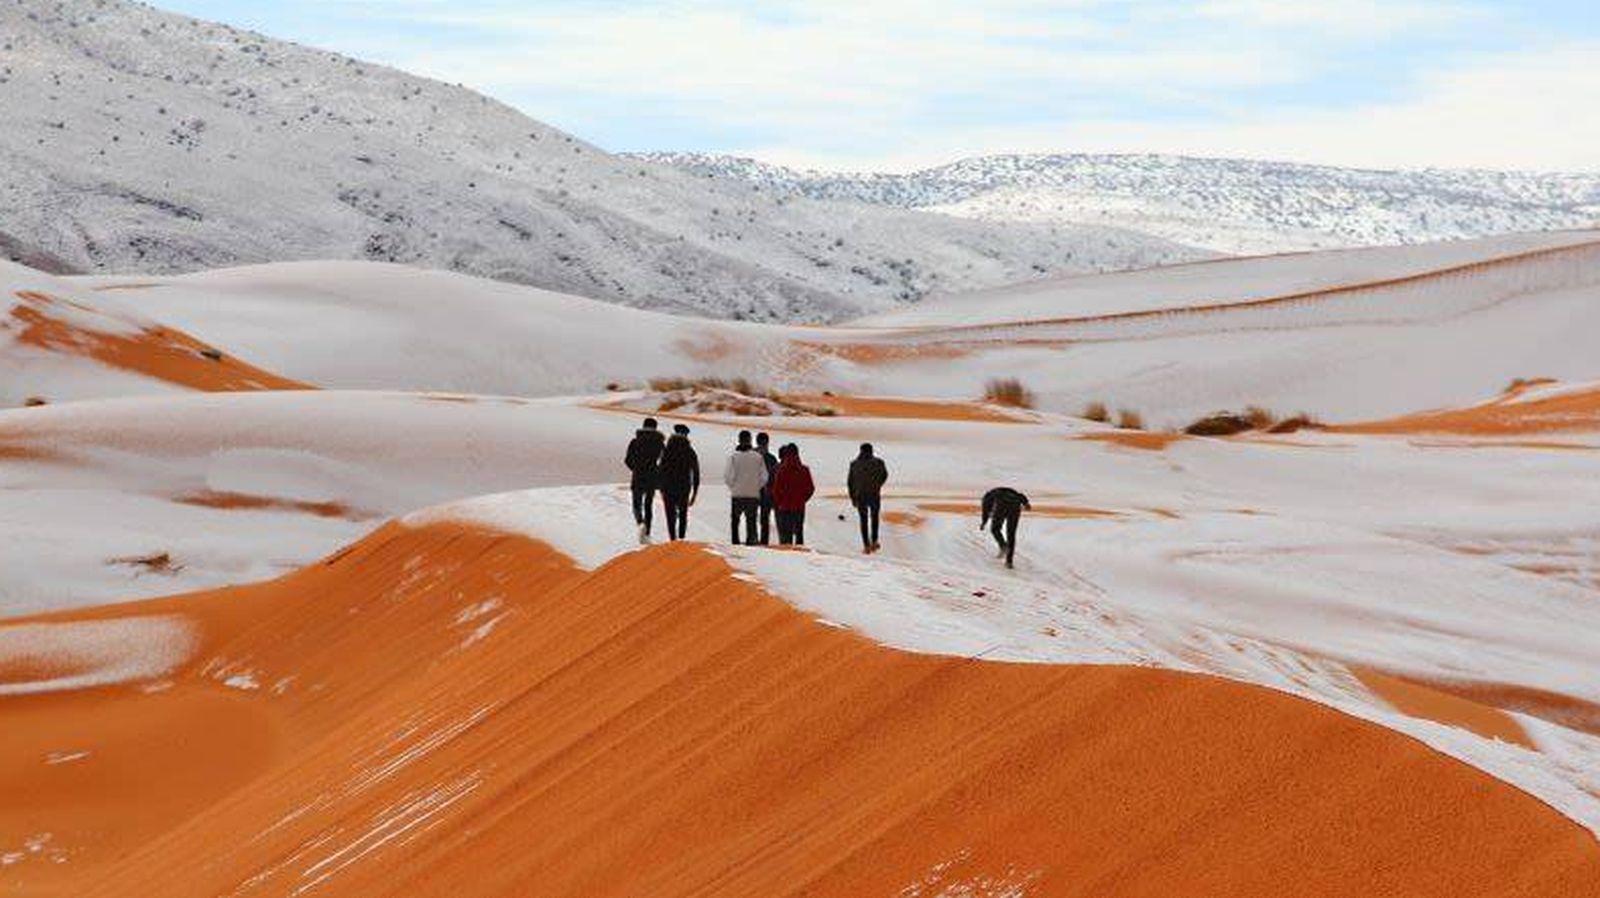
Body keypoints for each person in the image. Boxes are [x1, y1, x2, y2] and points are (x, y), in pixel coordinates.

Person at [623, 418, 665, 543]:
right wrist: (658, 470)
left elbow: (627, 460)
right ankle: (647, 533)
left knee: (637, 503)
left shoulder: (635, 441)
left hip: (638, 475)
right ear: (655, 428)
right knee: (648, 505)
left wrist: (635, 468)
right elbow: (665, 461)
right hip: (652, 476)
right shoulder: (659, 443)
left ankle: (640, 522)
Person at [723, 430, 768, 545]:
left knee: (735, 521)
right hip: (753, 495)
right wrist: (755, 487)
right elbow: (764, 477)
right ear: (750, 440)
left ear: (739, 440)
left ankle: (735, 542)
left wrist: (734, 487)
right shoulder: (758, 457)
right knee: (751, 521)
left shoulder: (733, 457)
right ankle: (750, 543)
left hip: (737, 494)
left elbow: (728, 476)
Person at [657, 423, 700, 541]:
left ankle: (672, 539)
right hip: (683, 487)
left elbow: (660, 469)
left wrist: (660, 487)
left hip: (667, 487)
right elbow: (696, 473)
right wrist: (694, 493)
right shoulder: (690, 451)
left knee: (670, 515)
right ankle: (681, 540)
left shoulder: (667, 450)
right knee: (682, 515)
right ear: (686, 436)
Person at [770, 443, 815, 546]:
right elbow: (810, 488)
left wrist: (780, 502)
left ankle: (788, 557)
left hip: (784, 507)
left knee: (786, 536)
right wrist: (803, 500)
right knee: (799, 533)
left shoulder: (781, 470)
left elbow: (776, 489)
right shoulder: (804, 470)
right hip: (799, 506)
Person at [847, 442, 888, 553]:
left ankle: (866, 545)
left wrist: (852, 498)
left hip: (860, 496)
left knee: (863, 520)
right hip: (874, 494)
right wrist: (877, 485)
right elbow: (884, 475)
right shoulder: (879, 463)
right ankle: (874, 541)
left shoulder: (854, 464)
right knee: (874, 518)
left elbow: (850, 483)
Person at [981, 487, 1032, 569]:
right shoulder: (1007, 491)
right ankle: (1009, 562)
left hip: (1002, 505)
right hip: (1015, 506)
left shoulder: (987, 497)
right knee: (1011, 534)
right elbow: (1021, 496)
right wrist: (1026, 504)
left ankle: (1003, 546)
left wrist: (984, 522)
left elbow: (985, 510)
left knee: (995, 529)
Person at [754, 432, 779, 544]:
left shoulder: (751, 456)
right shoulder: (772, 459)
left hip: (752, 492)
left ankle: (753, 538)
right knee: (764, 519)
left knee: (753, 518)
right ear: (767, 442)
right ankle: (764, 541)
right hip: (767, 494)